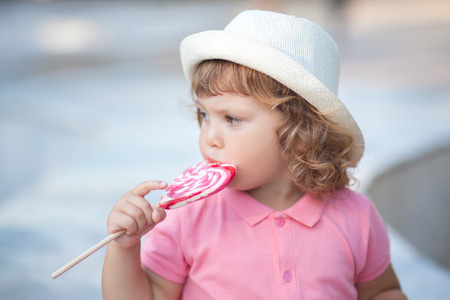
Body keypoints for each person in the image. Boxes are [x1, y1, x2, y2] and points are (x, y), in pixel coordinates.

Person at [102, 10, 407, 299]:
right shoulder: (188, 216)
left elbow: (382, 291)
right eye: (204, 115)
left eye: (232, 119)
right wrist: (124, 249)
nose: (210, 137)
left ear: (300, 130)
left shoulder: (356, 217)